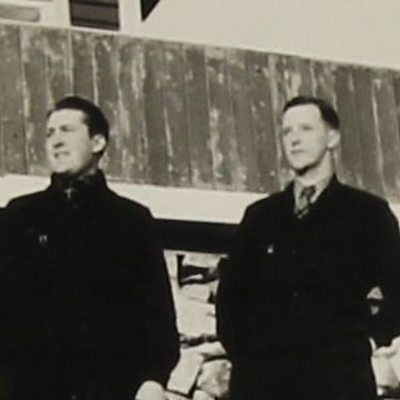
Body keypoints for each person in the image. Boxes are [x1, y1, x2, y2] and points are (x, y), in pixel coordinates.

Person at [216, 95, 400, 400]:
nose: (294, 139)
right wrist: (247, 354)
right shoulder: (260, 216)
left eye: (305, 129)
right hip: (261, 384)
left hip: (338, 383)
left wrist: (368, 341)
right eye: (287, 132)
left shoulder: (367, 213)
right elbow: (231, 298)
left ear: (332, 138)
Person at [0, 96, 180, 400]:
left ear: (97, 142)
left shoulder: (131, 221)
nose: (56, 141)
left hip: (109, 389)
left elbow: (157, 315)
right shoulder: (19, 217)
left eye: (67, 130)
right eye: (50, 133)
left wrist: (153, 380)